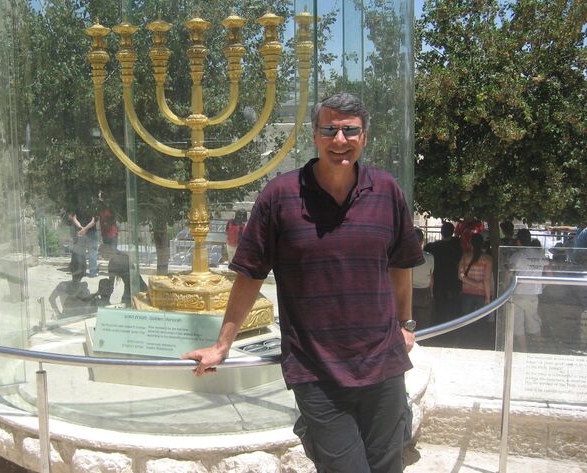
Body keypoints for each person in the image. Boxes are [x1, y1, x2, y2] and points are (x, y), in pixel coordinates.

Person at [183, 93, 424, 473]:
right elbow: (250, 275)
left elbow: (401, 264)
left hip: (382, 366)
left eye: (350, 130)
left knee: (387, 466)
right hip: (317, 372)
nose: (339, 140)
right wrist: (222, 344)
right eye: (329, 130)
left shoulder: (386, 190)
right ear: (315, 135)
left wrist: (405, 324)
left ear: (364, 136)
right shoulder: (280, 196)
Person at [508, 229, 547, 352]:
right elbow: (550, 273)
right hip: (533, 294)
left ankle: (523, 350)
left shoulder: (517, 256)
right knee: (534, 322)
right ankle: (540, 349)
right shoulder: (539, 255)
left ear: (518, 241)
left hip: (517, 293)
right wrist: (541, 286)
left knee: (518, 324)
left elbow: (508, 274)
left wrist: (504, 287)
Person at [423, 221, 462, 324]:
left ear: (441, 232)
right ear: (452, 232)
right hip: (452, 281)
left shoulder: (431, 247)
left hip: (437, 281)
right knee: (451, 308)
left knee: (437, 308)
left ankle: (437, 327)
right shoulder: (457, 247)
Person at [458, 233, 493, 346]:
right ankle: (480, 343)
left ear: (470, 244)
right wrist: (488, 297)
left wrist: (472, 283)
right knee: (482, 320)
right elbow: (487, 279)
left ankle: (466, 342)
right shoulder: (488, 259)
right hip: (482, 294)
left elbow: (460, 276)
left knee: (466, 319)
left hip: (467, 293)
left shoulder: (465, 256)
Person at [412, 228, 434, 330]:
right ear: (422, 241)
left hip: (408, 291)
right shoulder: (429, 257)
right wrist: (431, 293)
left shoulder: (403, 256)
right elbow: (431, 277)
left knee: (408, 319)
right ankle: (424, 337)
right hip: (424, 292)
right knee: (424, 319)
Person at [70, 211, 99, 277]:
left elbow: (74, 218)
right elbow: (93, 221)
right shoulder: (94, 207)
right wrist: (85, 229)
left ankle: (82, 272)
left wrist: (81, 228)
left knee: (81, 253)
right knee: (92, 253)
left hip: (80, 231)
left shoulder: (77, 206)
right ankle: (93, 273)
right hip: (91, 231)